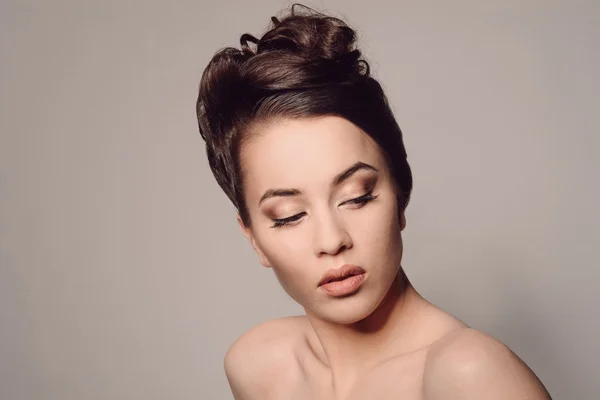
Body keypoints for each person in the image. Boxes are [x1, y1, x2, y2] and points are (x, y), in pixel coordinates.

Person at [196, 4, 552, 399]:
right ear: (253, 238)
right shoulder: (261, 367)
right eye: (289, 216)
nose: (332, 241)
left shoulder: (469, 374)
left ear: (400, 194)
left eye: (357, 197)